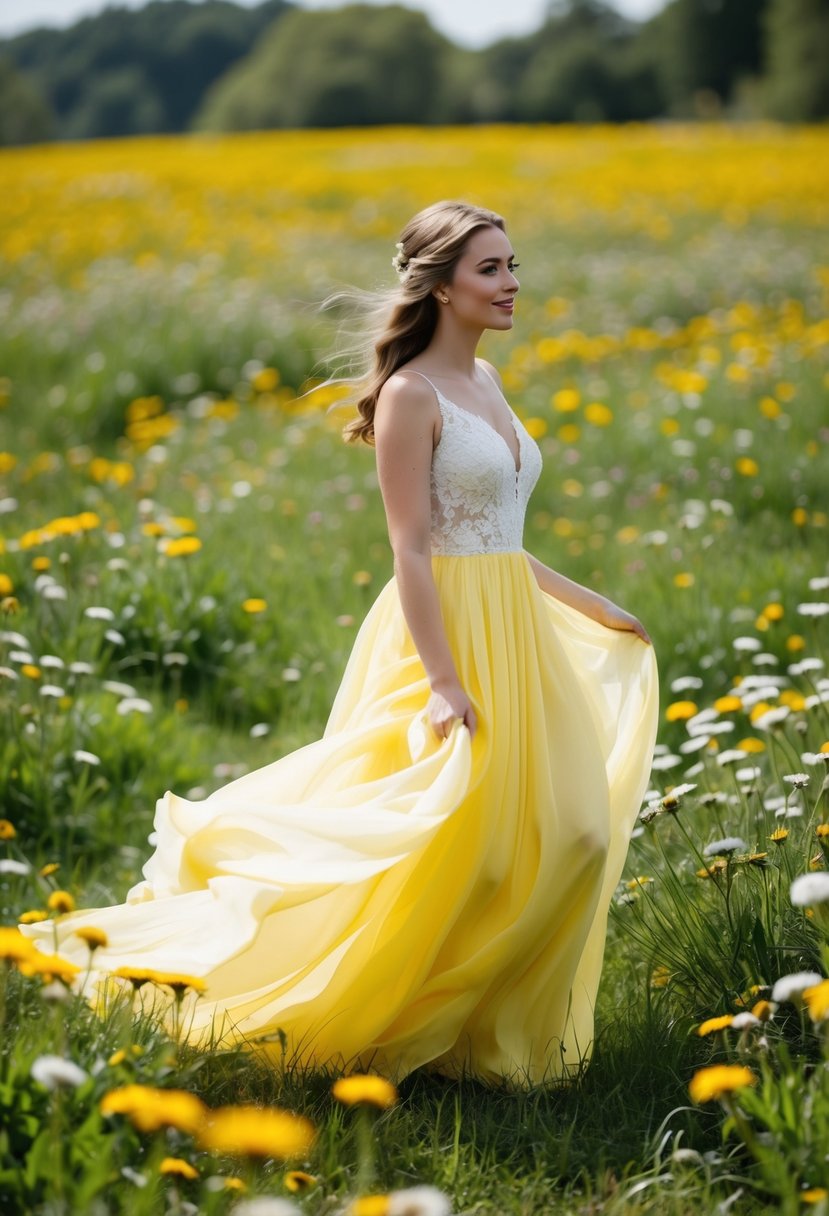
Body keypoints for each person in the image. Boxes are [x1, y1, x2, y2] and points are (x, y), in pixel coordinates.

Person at [22, 200, 658, 1088]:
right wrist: (441, 680)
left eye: (514, 267)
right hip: (444, 628)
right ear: (439, 286)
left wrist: (591, 603)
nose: (512, 285)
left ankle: (482, 1026)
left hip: (515, 622)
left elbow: (498, 533)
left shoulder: (491, 384)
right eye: (491, 270)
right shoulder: (409, 395)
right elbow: (411, 544)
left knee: (571, 833)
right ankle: (395, 1016)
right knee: (441, 833)